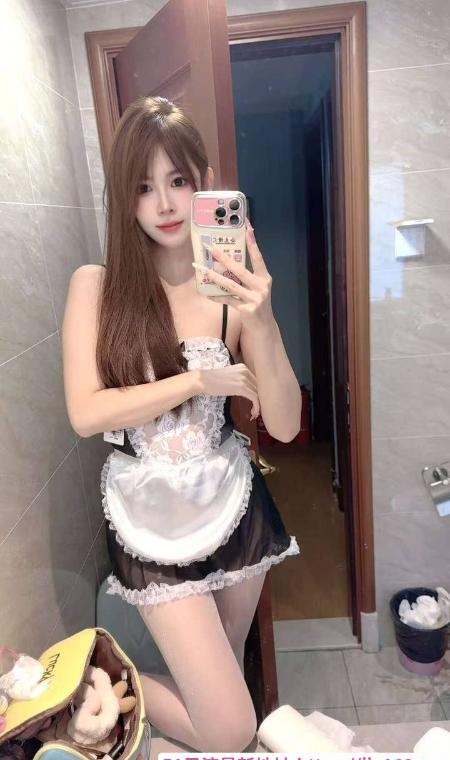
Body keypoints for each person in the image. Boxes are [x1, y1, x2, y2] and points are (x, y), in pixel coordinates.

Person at [62, 95, 301, 752]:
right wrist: (198, 380)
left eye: (178, 180)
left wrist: (263, 317)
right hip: (149, 518)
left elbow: (284, 423)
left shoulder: (230, 293)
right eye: (144, 187)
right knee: (230, 727)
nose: (164, 204)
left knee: (224, 678)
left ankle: (133, 702)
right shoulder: (96, 287)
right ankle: (102, 681)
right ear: (124, 198)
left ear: (204, 183)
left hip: (232, 505)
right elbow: (85, 412)